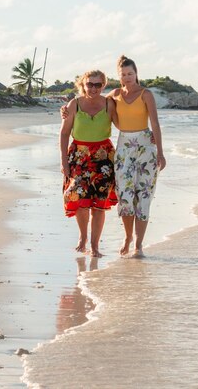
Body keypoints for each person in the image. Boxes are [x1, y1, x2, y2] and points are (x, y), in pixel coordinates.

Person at [109, 55, 166, 258]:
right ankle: (127, 237)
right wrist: (66, 109)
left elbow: (156, 124)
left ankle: (139, 244)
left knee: (143, 196)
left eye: (130, 73)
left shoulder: (146, 94)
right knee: (124, 196)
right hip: (124, 147)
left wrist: (160, 152)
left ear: (136, 73)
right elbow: (96, 105)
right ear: (119, 76)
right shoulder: (114, 95)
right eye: (123, 74)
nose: (127, 77)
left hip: (146, 148)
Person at [60, 70, 118, 257]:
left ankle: (94, 246)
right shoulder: (74, 104)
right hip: (79, 155)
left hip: (104, 157)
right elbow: (64, 134)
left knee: (99, 204)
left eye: (97, 85)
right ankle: (83, 237)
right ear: (83, 85)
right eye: (89, 84)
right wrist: (64, 162)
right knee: (79, 197)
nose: (93, 88)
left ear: (103, 86)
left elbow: (125, 124)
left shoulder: (109, 104)